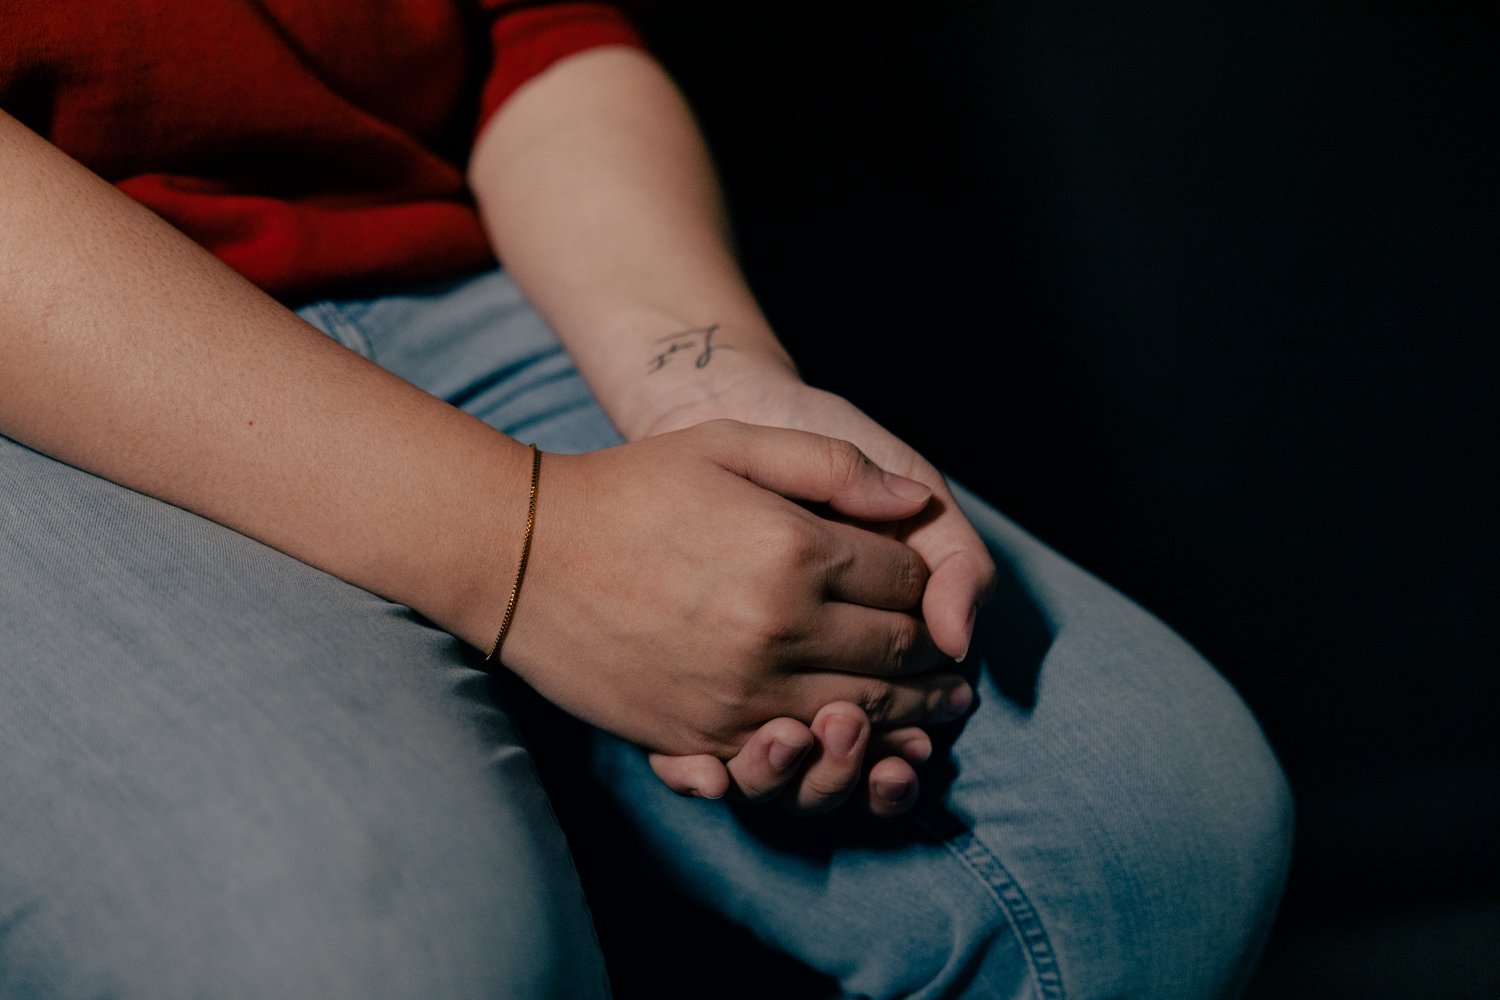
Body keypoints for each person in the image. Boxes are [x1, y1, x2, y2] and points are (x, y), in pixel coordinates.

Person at [0, 3, 1293, 998]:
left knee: (1150, 835)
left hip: (447, 260)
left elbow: (535, 36)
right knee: (370, 954)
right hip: (41, 364)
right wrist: (525, 553)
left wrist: (712, 390)